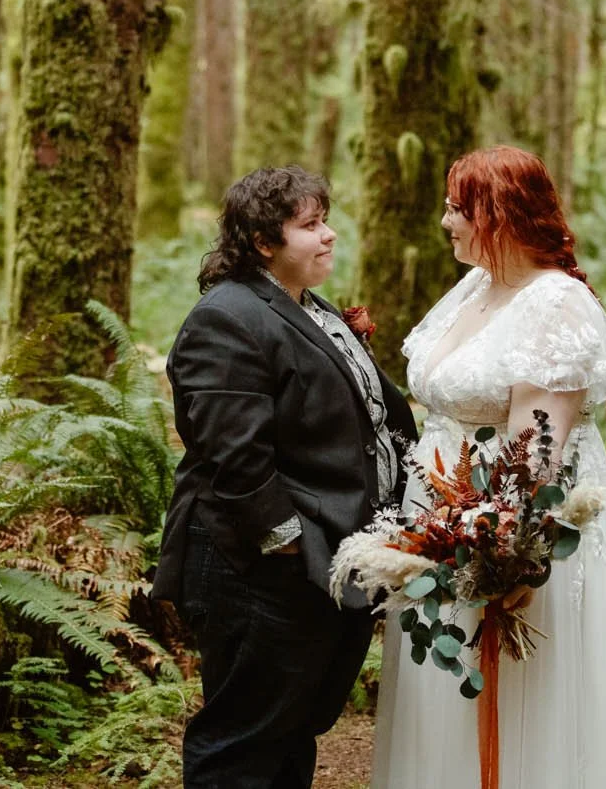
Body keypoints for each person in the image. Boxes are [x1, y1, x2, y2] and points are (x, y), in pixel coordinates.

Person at [371, 145, 606, 788]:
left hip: (510, 517)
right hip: (442, 508)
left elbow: (539, 447)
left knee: (517, 690)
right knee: (442, 685)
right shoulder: (479, 282)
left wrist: (516, 552)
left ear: (500, 214)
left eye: (457, 209)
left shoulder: (556, 303)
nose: (446, 222)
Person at [152, 166, 418, 789]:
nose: (328, 236)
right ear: (263, 242)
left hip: (328, 558)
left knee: (293, 729)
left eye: (325, 220)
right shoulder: (228, 318)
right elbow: (233, 454)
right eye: (309, 225)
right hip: (259, 569)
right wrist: (292, 543)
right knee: (242, 743)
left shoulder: (309, 308)